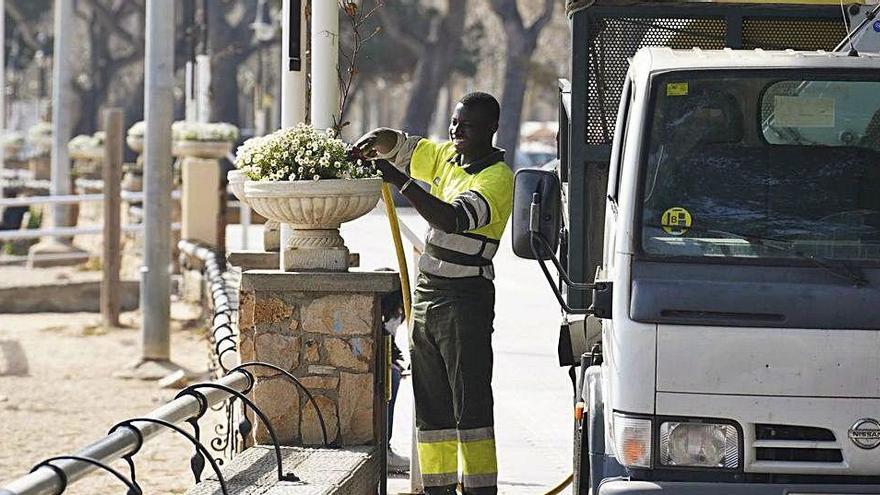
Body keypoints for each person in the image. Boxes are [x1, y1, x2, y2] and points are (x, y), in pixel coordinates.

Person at [354, 92, 513, 495]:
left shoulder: (495, 179)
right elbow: (403, 146)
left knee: (469, 402)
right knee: (431, 405)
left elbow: (451, 219)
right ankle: (437, 488)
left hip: (466, 298)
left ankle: (479, 488)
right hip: (427, 295)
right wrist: (379, 139)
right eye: (455, 123)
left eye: (468, 126)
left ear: (492, 130)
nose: (457, 131)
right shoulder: (446, 156)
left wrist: (401, 181)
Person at [377, 272, 411, 473]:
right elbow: (381, 339)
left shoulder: (391, 313)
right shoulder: (385, 312)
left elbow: (389, 341)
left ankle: (386, 448)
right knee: (393, 378)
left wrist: (394, 360)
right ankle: (384, 449)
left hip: (386, 359)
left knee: (395, 374)